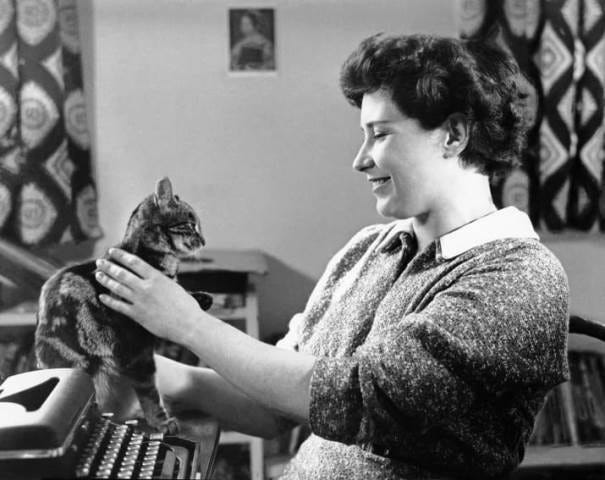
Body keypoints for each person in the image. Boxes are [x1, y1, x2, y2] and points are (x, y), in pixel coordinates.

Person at [94, 34, 570, 479]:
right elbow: (276, 403)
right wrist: (171, 378)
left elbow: (353, 398)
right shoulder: (367, 249)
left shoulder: (520, 277)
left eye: (380, 134)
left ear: (454, 135)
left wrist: (186, 323)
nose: (359, 159)